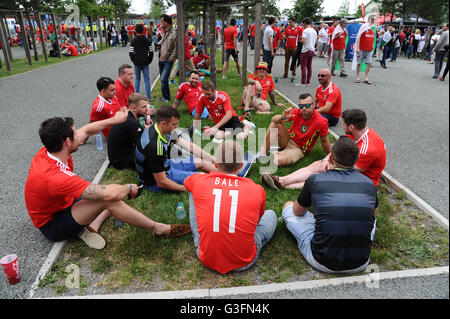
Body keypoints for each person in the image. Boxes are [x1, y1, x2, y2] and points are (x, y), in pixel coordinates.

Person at [24, 113, 191, 250]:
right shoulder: (54, 176)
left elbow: (87, 129)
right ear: (67, 142)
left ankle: (90, 226)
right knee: (110, 200)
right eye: (75, 135)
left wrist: (115, 120)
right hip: (53, 224)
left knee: (107, 196)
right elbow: (109, 193)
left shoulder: (50, 150)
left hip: (64, 203)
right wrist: (129, 187)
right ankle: (159, 229)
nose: (79, 137)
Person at [281, 136, 377, 274]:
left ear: (331, 157)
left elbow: (297, 212)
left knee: (288, 206)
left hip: (322, 260)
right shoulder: (369, 184)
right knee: (366, 218)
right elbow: (372, 217)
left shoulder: (315, 180)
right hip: (361, 262)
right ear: (357, 160)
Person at [185, 140, 277, 274]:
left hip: (207, 257)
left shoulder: (199, 181)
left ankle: (202, 234)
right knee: (271, 215)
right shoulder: (256, 189)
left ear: (215, 164)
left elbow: (187, 183)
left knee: (193, 190)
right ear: (241, 165)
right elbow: (257, 220)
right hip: (244, 261)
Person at [135, 105, 217, 193]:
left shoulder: (160, 129)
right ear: (163, 123)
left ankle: (231, 174)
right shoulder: (154, 146)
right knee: (203, 178)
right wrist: (186, 188)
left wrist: (212, 158)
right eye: (174, 124)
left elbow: (188, 146)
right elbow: (162, 182)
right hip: (153, 181)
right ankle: (226, 182)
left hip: (165, 165)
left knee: (200, 160)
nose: (177, 127)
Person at [256, 93, 330, 167]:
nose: (304, 108)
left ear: (313, 105)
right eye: (301, 106)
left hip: (298, 148)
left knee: (277, 161)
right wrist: (282, 117)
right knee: (275, 124)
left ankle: (275, 151)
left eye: (307, 106)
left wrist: (329, 158)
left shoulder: (321, 121)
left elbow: (324, 141)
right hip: (288, 139)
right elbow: (273, 120)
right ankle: (263, 153)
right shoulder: (296, 112)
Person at [107, 93, 154, 170]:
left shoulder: (128, 115)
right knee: (152, 154)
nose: (147, 109)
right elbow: (142, 144)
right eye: (144, 107)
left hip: (116, 156)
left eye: (147, 106)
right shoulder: (132, 123)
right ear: (134, 108)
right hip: (120, 161)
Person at [342, 108, 386, 187]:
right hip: (355, 169)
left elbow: (351, 169)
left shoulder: (367, 149)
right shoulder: (356, 133)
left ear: (351, 127)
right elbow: (339, 147)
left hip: (366, 181)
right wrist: (325, 160)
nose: (342, 126)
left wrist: (329, 167)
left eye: (344, 125)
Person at [129, 24, 153, 100]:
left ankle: (136, 97)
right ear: (143, 30)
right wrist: (149, 60)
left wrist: (134, 60)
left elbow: (131, 52)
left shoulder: (133, 41)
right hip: (145, 62)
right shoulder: (147, 40)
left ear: (135, 30)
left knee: (137, 79)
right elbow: (151, 51)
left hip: (137, 63)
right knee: (147, 79)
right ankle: (148, 97)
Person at [159, 14, 177, 102]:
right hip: (161, 59)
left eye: (162, 21)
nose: (161, 23)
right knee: (163, 80)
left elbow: (176, 48)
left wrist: (170, 59)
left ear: (166, 22)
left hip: (167, 60)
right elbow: (164, 42)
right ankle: (165, 96)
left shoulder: (174, 32)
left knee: (163, 79)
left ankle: (167, 98)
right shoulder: (165, 31)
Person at [296, 17, 317, 87]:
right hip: (312, 49)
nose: (302, 25)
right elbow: (316, 41)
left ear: (305, 23)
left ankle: (302, 82)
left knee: (303, 67)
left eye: (303, 24)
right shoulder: (314, 31)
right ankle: (308, 82)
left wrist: (300, 40)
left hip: (305, 50)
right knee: (309, 67)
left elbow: (303, 41)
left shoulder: (305, 31)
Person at [355, 15, 376, 84]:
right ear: (370, 19)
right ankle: (358, 77)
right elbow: (358, 37)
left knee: (369, 63)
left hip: (369, 49)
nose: (374, 20)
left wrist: (373, 48)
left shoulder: (373, 28)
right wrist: (357, 47)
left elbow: (373, 39)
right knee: (359, 63)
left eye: (374, 19)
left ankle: (366, 77)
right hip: (361, 48)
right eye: (373, 19)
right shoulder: (364, 26)